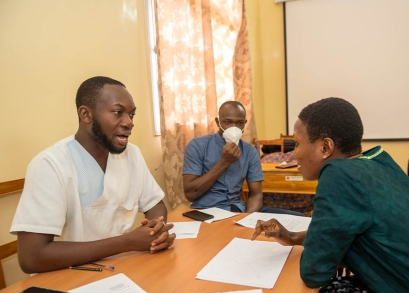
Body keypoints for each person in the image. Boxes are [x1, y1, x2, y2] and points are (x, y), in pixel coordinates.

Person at [252, 97, 409, 293]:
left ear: (325, 147)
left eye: (297, 144)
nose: (293, 154)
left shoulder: (338, 175)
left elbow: (314, 273)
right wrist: (292, 237)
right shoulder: (378, 163)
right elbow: (345, 229)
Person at [10, 76, 176, 274]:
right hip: (69, 278)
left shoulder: (132, 154)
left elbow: (155, 204)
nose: (129, 123)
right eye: (118, 112)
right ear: (86, 114)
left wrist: (156, 231)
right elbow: (32, 257)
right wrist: (128, 242)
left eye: (131, 114)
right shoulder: (50, 164)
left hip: (124, 269)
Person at [183, 101, 303, 216]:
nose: (233, 128)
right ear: (218, 122)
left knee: (299, 219)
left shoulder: (249, 151)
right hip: (207, 211)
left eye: (239, 123)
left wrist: (246, 218)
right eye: (227, 122)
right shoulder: (198, 146)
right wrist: (224, 162)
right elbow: (190, 194)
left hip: (239, 210)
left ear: (245, 123)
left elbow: (256, 195)